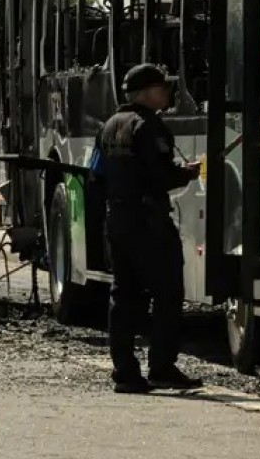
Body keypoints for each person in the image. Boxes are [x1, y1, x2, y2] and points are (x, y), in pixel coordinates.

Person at [92, 63, 203, 394]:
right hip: (149, 223)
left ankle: (125, 373)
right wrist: (187, 172)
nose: (167, 93)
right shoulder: (149, 127)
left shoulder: (109, 126)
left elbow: (95, 176)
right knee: (167, 294)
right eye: (162, 88)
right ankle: (162, 367)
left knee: (123, 295)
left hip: (118, 220)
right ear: (146, 93)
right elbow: (160, 176)